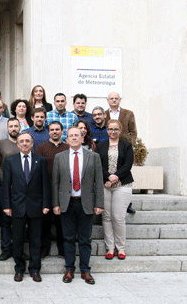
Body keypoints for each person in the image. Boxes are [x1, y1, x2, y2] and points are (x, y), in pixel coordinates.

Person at [52, 126, 104, 285]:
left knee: (85, 239)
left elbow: (99, 182)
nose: (74, 138)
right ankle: (69, 269)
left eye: (77, 135)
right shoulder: (59, 157)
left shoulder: (93, 157)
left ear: (83, 138)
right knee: (67, 238)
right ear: (66, 139)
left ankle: (85, 270)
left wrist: (99, 203)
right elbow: (55, 183)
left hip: (86, 203)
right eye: (71, 136)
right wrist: (55, 203)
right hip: (67, 203)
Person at [2, 131, 51, 282]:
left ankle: (35, 269)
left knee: (36, 240)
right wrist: (7, 205)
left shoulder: (41, 161)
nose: (24, 143)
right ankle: (19, 269)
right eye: (21, 141)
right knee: (17, 240)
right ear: (17, 144)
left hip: (36, 206)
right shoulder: (10, 161)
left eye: (27, 141)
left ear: (32, 144)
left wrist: (46, 204)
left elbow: (45, 185)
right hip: (17, 206)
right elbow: (6, 185)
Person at [97, 119, 134, 261]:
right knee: (106, 217)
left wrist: (115, 177)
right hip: (104, 185)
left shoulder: (126, 146)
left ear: (120, 131)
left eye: (116, 129)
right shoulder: (100, 146)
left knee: (118, 217)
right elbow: (97, 165)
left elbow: (128, 164)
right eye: (110, 129)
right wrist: (107, 177)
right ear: (107, 130)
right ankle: (110, 247)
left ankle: (121, 248)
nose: (113, 132)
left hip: (122, 185)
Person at [34, 121, 69, 258]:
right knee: (45, 222)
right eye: (52, 129)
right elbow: (36, 170)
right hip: (45, 189)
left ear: (62, 131)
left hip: (63, 189)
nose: (54, 132)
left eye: (57, 129)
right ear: (48, 132)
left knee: (62, 222)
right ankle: (44, 248)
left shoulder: (67, 148)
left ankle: (63, 249)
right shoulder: (41, 148)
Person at [105, 91, 137, 214]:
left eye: (116, 98)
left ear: (120, 99)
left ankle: (127, 203)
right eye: (111, 98)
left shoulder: (128, 114)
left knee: (124, 173)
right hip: (109, 148)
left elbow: (133, 132)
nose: (114, 100)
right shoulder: (104, 114)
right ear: (107, 100)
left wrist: (128, 145)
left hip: (123, 150)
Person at [0, 118, 21, 261]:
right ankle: (6, 249)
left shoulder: (24, 143)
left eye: (16, 126)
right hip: (4, 187)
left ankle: (18, 249)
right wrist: (6, 183)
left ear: (19, 127)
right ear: (7, 128)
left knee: (19, 220)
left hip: (22, 189)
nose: (13, 129)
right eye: (11, 126)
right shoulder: (1, 144)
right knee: (5, 220)